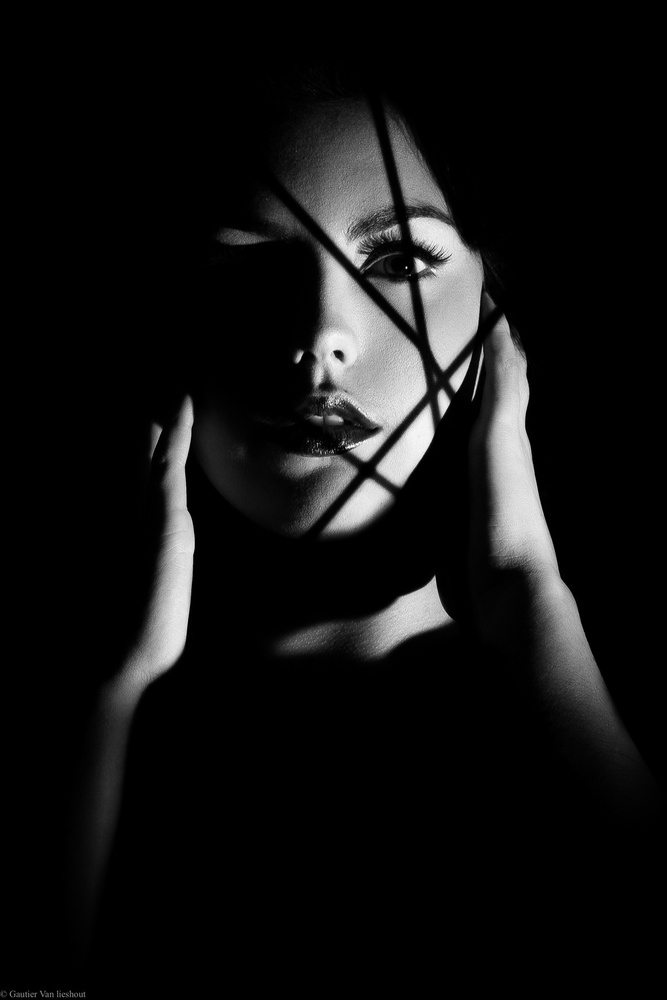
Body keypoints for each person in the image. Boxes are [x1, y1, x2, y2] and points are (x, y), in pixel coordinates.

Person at [64, 58, 663, 991]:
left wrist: (537, 618)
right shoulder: (76, 708)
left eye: (397, 262)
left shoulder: (619, 684)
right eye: (246, 263)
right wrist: (105, 695)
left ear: (494, 324)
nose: (320, 335)